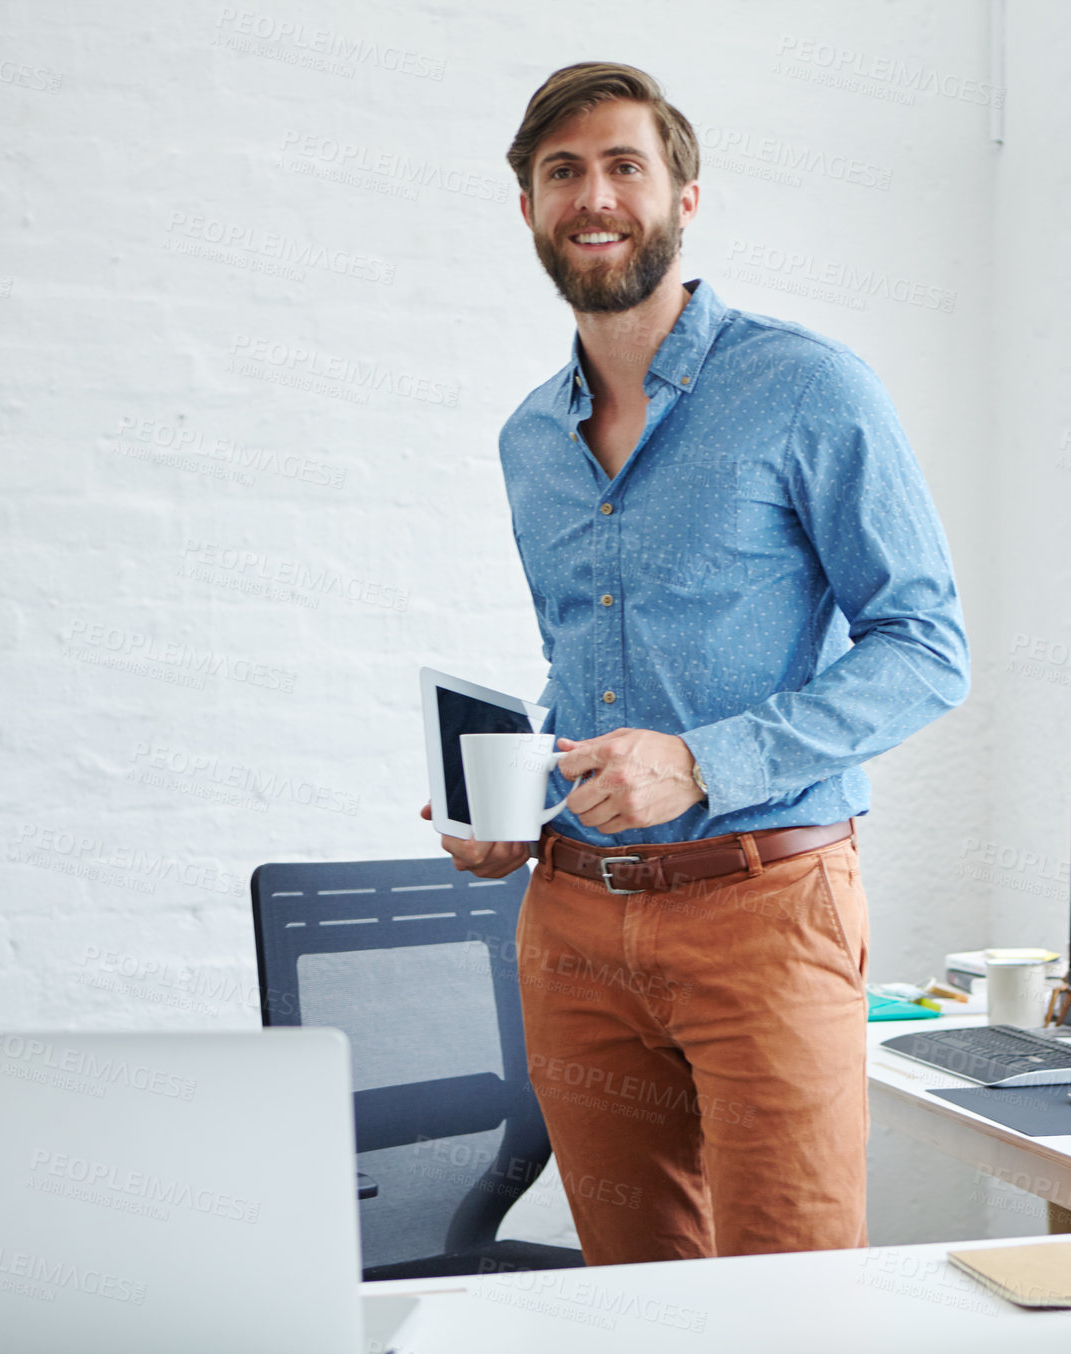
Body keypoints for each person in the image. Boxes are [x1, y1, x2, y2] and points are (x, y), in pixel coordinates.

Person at [419, 61, 968, 1265]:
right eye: (563, 173)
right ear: (528, 209)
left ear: (685, 198)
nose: (595, 195)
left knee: (793, 1297)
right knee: (639, 1306)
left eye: (626, 165)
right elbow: (589, 668)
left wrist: (702, 763)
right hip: (570, 922)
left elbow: (927, 645)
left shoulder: (807, 387)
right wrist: (517, 808)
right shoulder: (528, 440)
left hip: (766, 910)